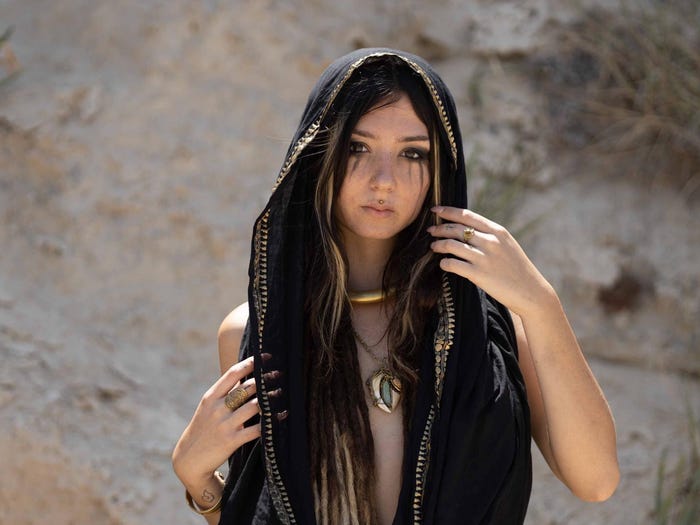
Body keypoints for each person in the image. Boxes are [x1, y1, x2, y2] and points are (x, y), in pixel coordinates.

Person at [172, 48, 619, 525]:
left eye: (413, 153)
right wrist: (197, 478)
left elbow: (595, 480)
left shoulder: (490, 324)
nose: (384, 180)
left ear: (440, 169)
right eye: (358, 148)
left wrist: (541, 302)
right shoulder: (257, 332)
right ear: (319, 154)